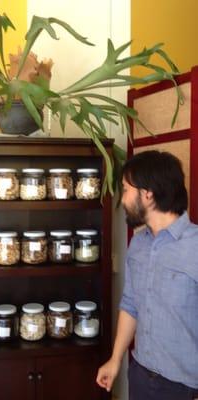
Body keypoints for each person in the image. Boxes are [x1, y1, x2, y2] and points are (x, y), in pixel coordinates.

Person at [96, 150, 198, 400]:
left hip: (185, 387)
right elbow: (131, 305)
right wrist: (115, 359)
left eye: (126, 189)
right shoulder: (138, 244)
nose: (123, 199)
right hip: (140, 375)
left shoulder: (194, 246)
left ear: (148, 193)